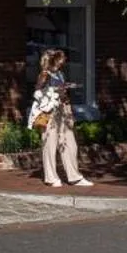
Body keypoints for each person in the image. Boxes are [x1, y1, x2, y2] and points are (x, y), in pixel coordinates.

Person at [28, 47, 93, 189]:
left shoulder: (60, 74)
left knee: (70, 143)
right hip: (50, 111)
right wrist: (51, 89)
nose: (64, 60)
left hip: (63, 109)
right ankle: (51, 177)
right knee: (50, 143)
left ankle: (74, 176)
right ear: (53, 59)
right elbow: (38, 89)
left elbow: (63, 91)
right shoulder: (45, 74)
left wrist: (69, 109)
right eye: (61, 57)